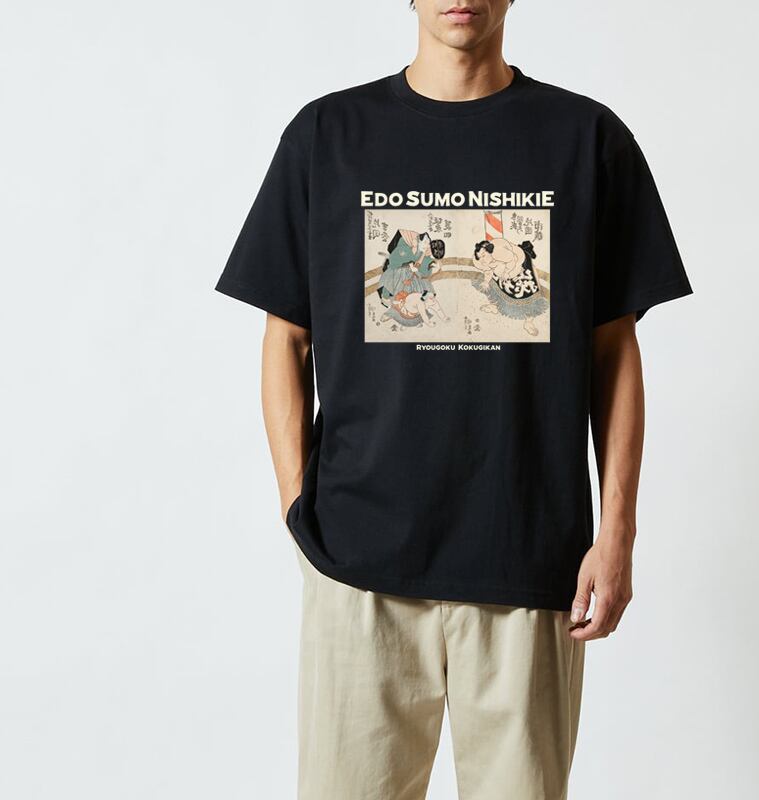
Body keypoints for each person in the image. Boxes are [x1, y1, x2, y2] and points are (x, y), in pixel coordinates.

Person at [215, 1, 693, 797]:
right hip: (359, 564)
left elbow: (615, 354)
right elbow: (285, 338)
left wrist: (618, 535)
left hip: (528, 559)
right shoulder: (327, 137)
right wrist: (299, 506)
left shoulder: (586, 140)